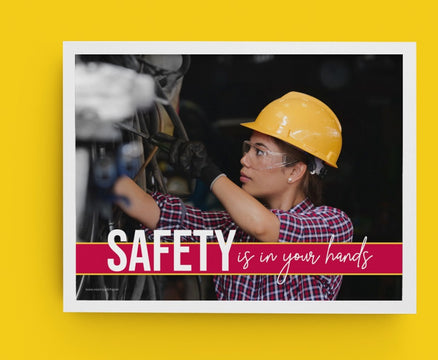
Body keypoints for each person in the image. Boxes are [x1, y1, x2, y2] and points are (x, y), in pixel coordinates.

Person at [113, 91, 353, 300]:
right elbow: (155, 212)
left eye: (259, 152)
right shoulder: (232, 229)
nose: (244, 159)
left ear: (295, 170)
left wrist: (208, 173)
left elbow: (263, 227)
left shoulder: (332, 227)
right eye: (248, 148)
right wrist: (97, 167)